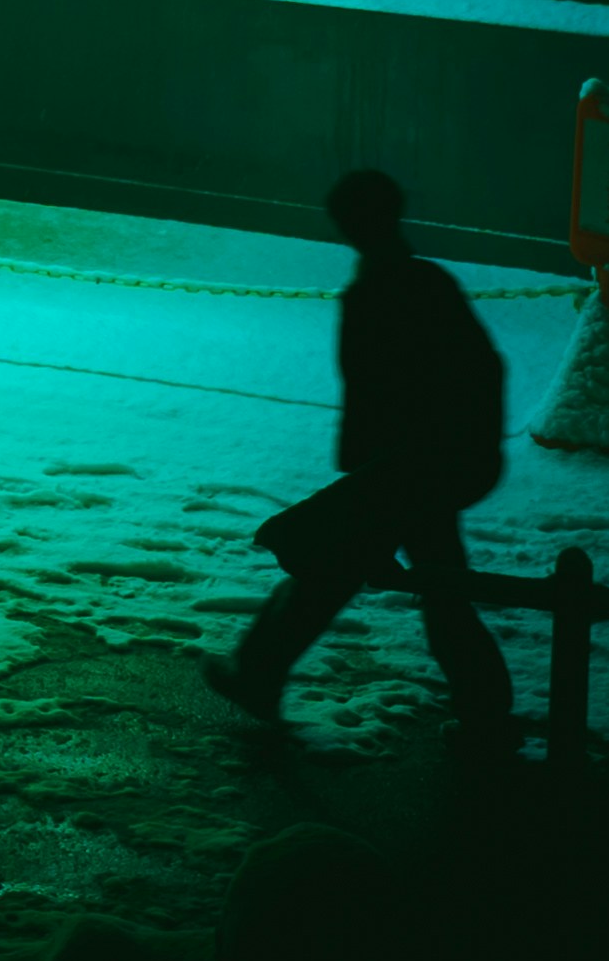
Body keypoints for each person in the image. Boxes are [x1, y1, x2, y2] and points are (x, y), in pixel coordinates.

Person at [203, 169, 518, 732]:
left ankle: (259, 673)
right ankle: (485, 708)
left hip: (404, 471)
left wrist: (362, 477)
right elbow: (483, 371)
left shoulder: (373, 292)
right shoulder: (428, 282)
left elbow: (371, 398)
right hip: (437, 464)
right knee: (432, 581)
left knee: (335, 571)